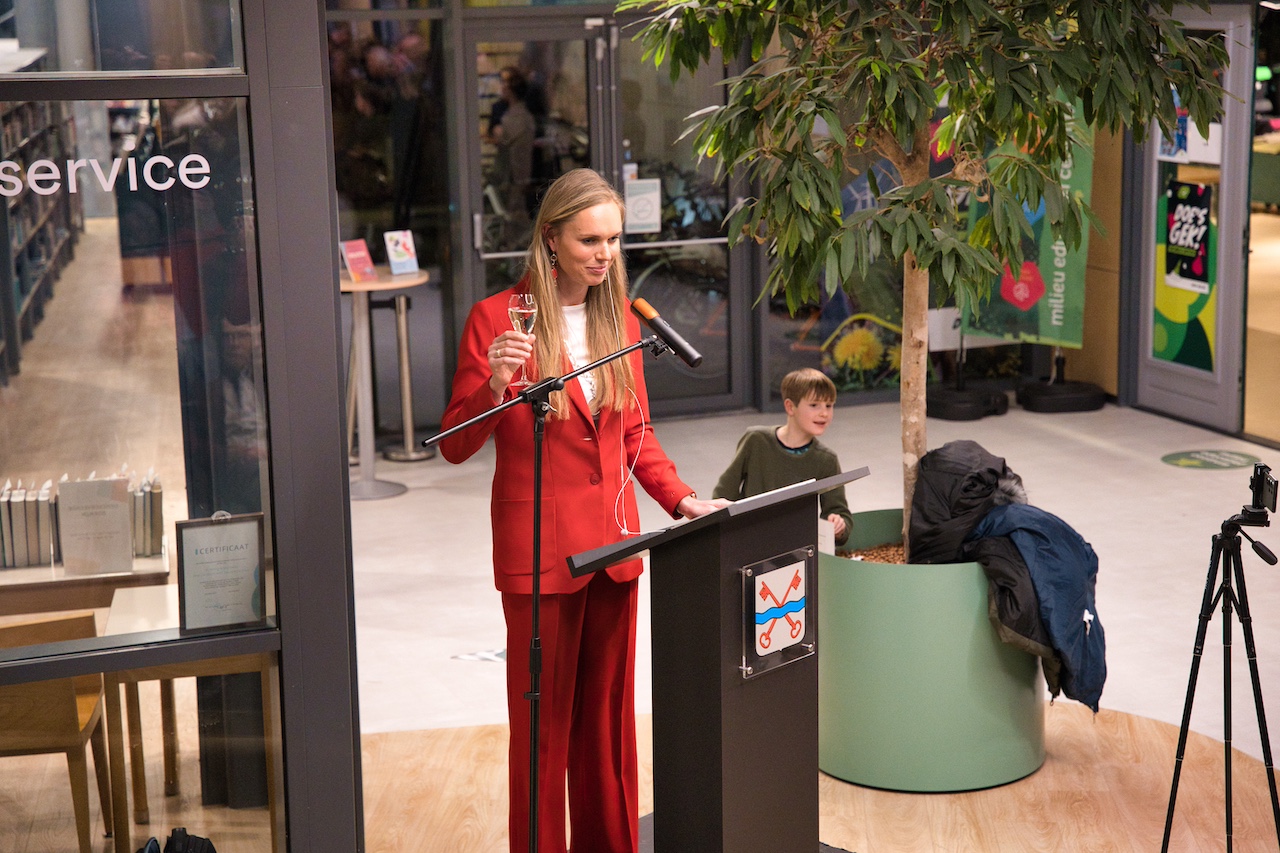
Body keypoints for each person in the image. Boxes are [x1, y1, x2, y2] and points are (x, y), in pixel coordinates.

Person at [438, 168, 727, 853]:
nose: (604, 254)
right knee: (542, 735)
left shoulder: (621, 319)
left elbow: (635, 435)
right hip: (539, 555)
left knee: (607, 731)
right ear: (551, 238)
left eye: (614, 240)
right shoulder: (495, 319)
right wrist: (496, 382)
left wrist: (682, 498)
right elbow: (455, 444)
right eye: (590, 239)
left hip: (614, 551)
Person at [712, 368, 853, 549]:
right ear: (790, 407)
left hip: (795, 549)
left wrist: (838, 525)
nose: (824, 413)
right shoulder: (755, 439)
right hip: (748, 543)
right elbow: (724, 492)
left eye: (829, 405)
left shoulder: (827, 460)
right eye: (814, 405)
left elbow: (838, 511)